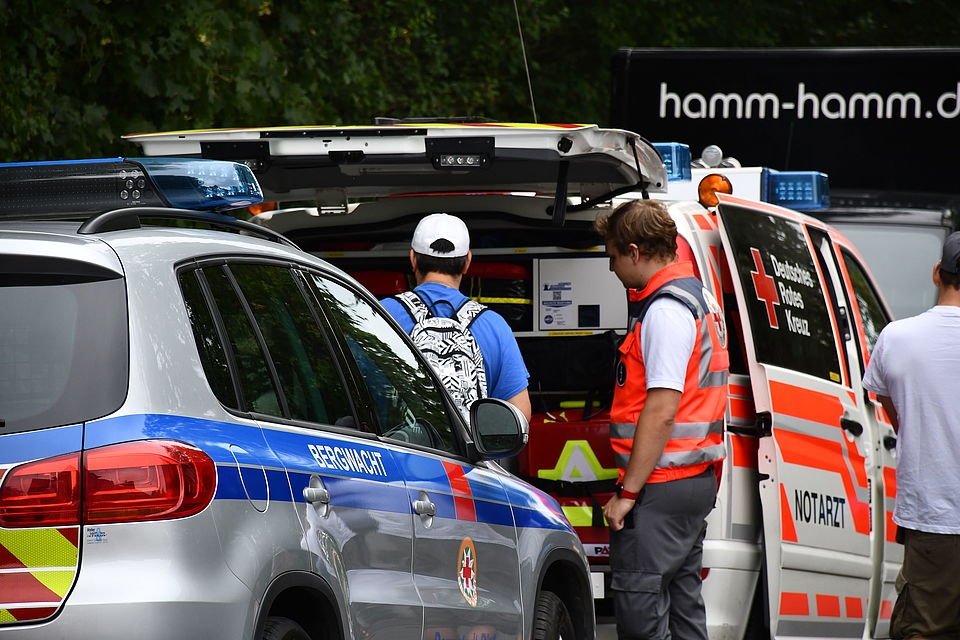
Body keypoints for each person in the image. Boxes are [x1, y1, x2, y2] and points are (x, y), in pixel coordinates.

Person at [597, 199, 728, 640]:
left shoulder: (666, 310)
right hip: (691, 478)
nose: (612, 268)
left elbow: (662, 410)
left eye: (613, 256)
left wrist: (627, 494)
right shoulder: (698, 297)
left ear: (635, 252)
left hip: (662, 483)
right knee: (684, 609)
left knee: (642, 614)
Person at [862, 231, 960, 640]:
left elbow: (895, 411)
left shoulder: (896, 338)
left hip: (932, 518)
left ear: (937, 273)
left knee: (925, 628)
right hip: (933, 517)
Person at [380, 213, 531, 422]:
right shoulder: (494, 325)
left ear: (413, 259)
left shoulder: (381, 314)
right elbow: (519, 413)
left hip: (397, 443)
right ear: (467, 261)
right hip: (467, 444)